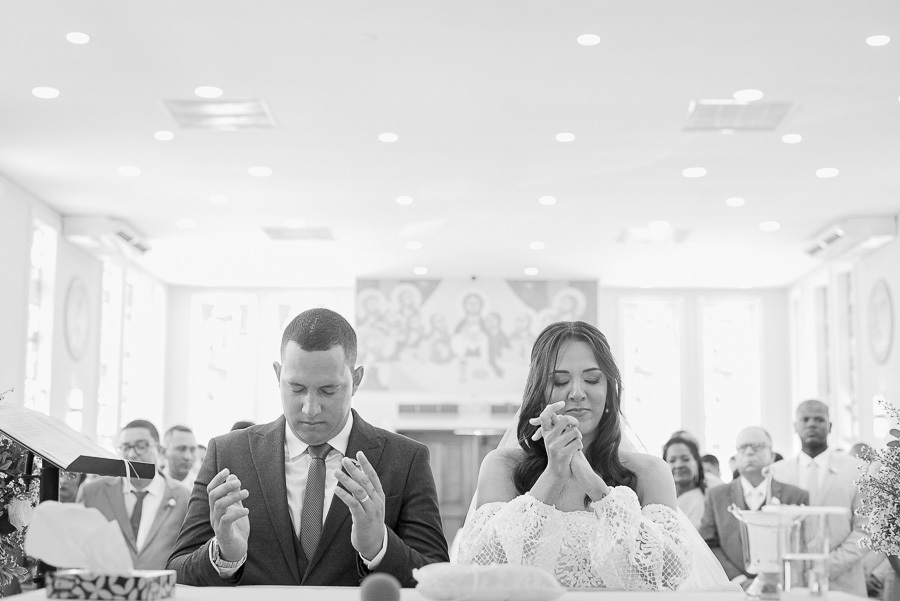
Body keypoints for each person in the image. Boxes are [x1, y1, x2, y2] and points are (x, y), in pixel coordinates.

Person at [168, 308, 448, 586]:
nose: (310, 408)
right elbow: (178, 570)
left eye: (328, 390)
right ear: (278, 375)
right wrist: (225, 555)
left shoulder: (406, 459)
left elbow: (437, 575)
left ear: (357, 380)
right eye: (296, 388)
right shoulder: (228, 453)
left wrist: (379, 547)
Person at [457, 321, 727, 591]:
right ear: (539, 394)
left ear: (609, 390)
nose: (576, 393)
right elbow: (481, 568)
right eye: (559, 381)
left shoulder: (649, 471)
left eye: (592, 379)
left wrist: (597, 488)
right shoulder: (503, 466)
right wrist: (554, 475)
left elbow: (669, 573)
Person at [770, 400, 870, 596]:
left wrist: (828, 565)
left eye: (819, 419)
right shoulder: (778, 473)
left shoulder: (856, 470)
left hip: (844, 582)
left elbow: (866, 528)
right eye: (805, 419)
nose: (811, 424)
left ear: (830, 426)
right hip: (792, 583)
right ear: (795, 426)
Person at [699, 427, 807, 587]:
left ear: (771, 456)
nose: (749, 452)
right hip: (733, 587)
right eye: (742, 448)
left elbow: (801, 545)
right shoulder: (716, 496)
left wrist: (776, 580)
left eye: (757, 446)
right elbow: (708, 544)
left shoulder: (796, 496)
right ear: (735, 456)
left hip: (782, 588)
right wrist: (739, 580)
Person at [80, 419, 189, 570]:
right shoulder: (93, 493)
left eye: (141, 446)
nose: (132, 454)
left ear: (160, 450)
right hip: (106, 587)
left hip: (160, 588)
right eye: (125, 447)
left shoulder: (184, 497)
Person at [663, 436, 707, 530]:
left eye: (685, 459)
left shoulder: (706, 500)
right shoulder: (659, 498)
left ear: (697, 462)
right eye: (672, 460)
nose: (678, 465)